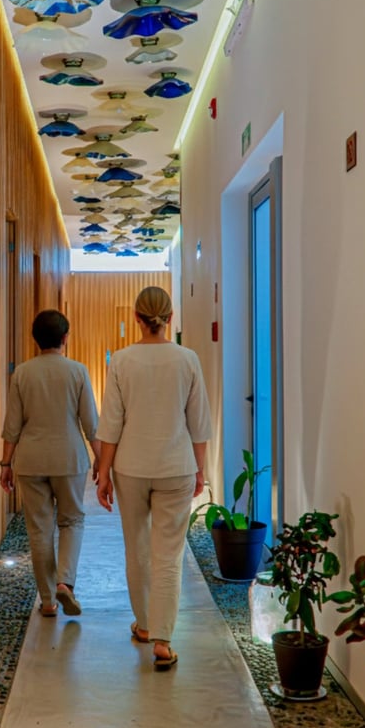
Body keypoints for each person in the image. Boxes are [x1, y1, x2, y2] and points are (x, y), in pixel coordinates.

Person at [96, 286, 211, 670]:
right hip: (177, 467)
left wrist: (103, 473)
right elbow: (198, 423)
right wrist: (200, 469)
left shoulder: (122, 361)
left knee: (137, 547)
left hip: (130, 466)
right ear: (170, 317)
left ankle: (144, 625)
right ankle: (162, 640)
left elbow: (111, 424)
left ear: (136, 318)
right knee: (168, 555)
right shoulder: (188, 360)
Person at [0, 309, 100, 617]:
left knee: (39, 529)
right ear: (65, 338)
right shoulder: (78, 372)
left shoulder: (22, 374)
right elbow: (90, 423)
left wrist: (5, 464)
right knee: (72, 521)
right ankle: (64, 583)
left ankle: (47, 602)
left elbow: (12, 425)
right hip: (69, 458)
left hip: (30, 460)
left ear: (36, 340)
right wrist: (101, 459)